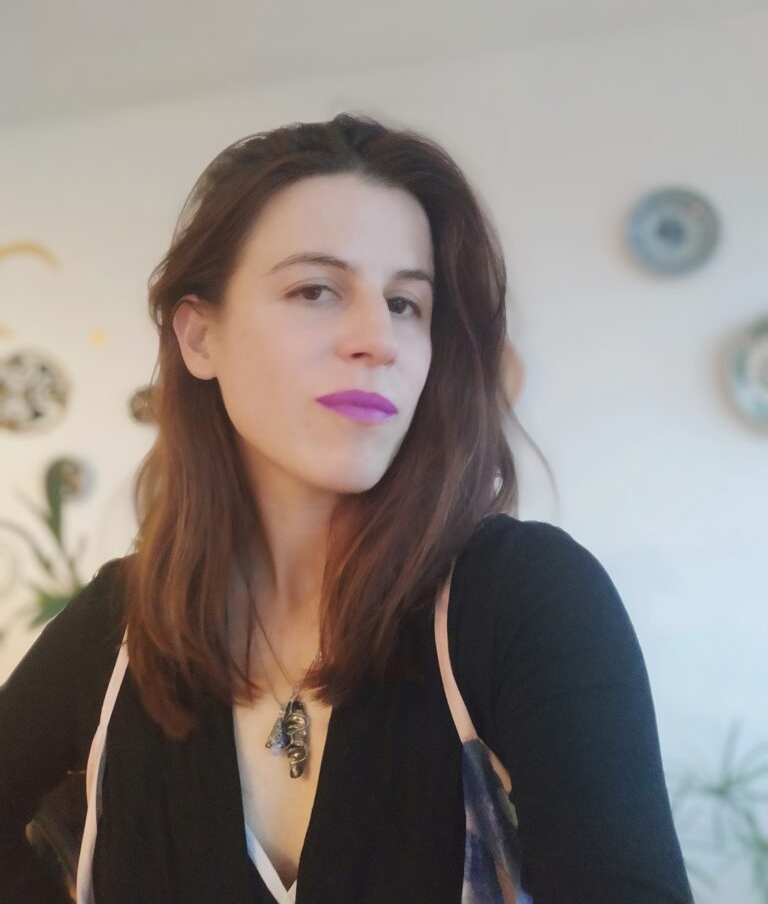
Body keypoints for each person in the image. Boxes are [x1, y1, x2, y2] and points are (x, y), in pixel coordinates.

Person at [0, 112, 694, 904]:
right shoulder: (122, 625)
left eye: (405, 303)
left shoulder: (521, 598)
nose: (378, 338)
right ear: (199, 338)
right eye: (316, 290)